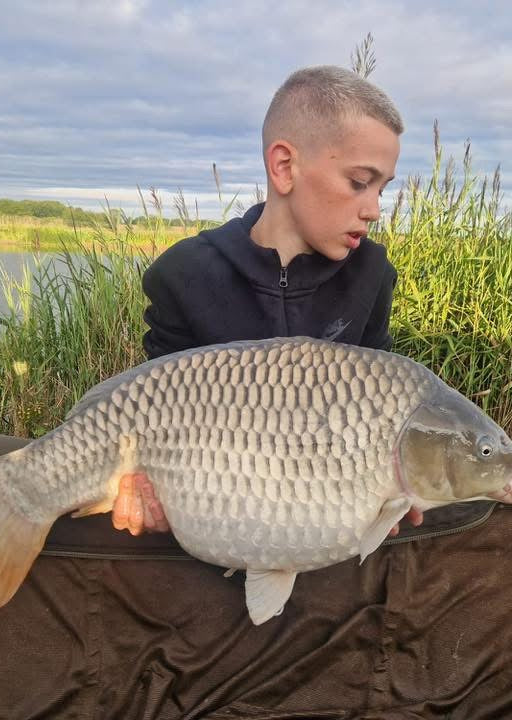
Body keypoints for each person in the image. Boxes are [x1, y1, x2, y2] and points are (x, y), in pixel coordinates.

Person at [109, 65, 423, 536]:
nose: (374, 209)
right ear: (284, 166)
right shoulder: (184, 275)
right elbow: (156, 421)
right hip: (215, 515)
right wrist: (149, 498)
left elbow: (380, 417)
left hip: (321, 525)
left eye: (382, 187)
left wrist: (397, 492)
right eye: (360, 181)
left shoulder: (371, 274)